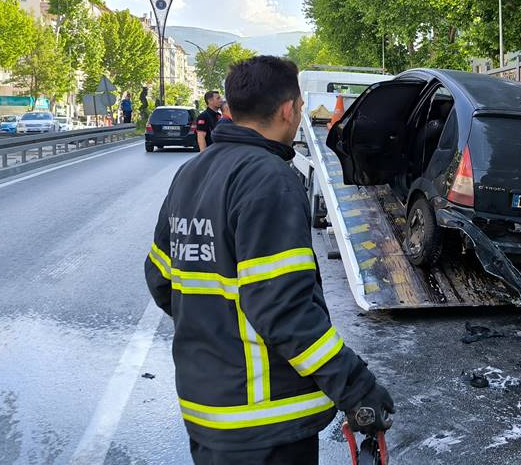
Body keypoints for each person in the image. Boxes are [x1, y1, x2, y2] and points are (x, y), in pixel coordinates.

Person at [144, 56, 393, 465]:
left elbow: (160, 278)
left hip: (207, 410)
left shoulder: (190, 173)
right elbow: (284, 310)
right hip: (265, 421)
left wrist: (218, 331)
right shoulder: (269, 179)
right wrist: (356, 386)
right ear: (287, 109)